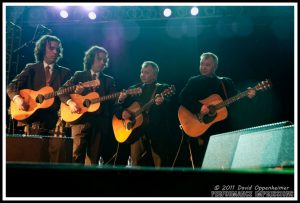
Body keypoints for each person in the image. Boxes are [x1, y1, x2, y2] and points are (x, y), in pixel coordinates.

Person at [178, 52, 256, 167]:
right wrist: (199, 107)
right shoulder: (194, 81)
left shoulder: (225, 82)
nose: (203, 67)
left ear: (215, 67)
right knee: (204, 163)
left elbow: (235, 99)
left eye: (207, 65)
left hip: (223, 128)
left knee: (225, 162)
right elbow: (182, 98)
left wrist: (247, 95)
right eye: (202, 64)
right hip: (202, 128)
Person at [7, 34, 72, 162]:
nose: (55, 52)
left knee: (54, 158)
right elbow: (11, 87)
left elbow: (67, 94)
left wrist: (77, 91)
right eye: (51, 48)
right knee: (33, 156)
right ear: (43, 49)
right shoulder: (31, 68)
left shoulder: (65, 72)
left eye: (57, 50)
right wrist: (18, 99)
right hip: (32, 119)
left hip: (55, 122)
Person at [59, 45, 120, 165]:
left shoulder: (109, 80)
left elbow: (114, 101)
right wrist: (70, 103)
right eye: (100, 59)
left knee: (94, 160)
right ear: (91, 59)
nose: (103, 62)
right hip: (79, 120)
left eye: (105, 60)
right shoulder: (79, 75)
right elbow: (61, 91)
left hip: (99, 123)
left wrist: (121, 98)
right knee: (76, 156)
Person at [115, 61, 175, 167]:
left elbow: (172, 104)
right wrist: (121, 107)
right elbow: (118, 108)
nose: (142, 75)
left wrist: (162, 101)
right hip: (136, 131)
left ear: (155, 75)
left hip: (156, 131)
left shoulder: (163, 88)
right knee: (134, 163)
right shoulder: (134, 88)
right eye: (141, 72)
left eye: (146, 72)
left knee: (159, 164)